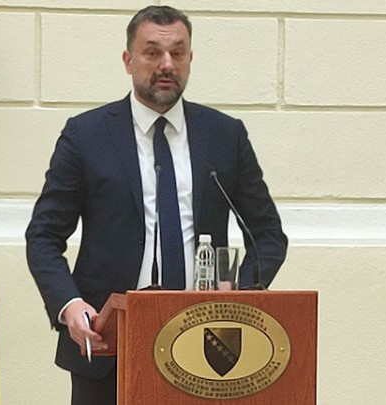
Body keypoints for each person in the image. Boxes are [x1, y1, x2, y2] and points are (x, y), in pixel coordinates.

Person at [25, 5, 287, 404]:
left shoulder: (224, 136)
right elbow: (43, 236)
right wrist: (70, 305)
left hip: (204, 342)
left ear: (190, 59)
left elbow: (268, 235)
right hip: (108, 345)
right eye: (152, 52)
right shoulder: (86, 135)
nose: (166, 64)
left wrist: (239, 291)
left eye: (177, 53)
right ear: (128, 60)